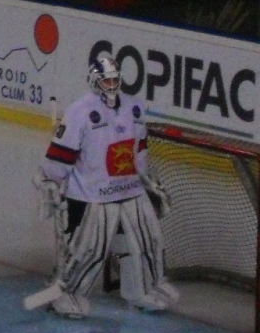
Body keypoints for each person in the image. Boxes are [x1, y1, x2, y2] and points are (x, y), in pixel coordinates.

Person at [33, 53, 178, 319]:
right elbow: (62, 154)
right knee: (91, 251)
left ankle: (142, 290)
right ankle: (68, 295)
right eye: (106, 81)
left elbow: (139, 150)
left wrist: (148, 181)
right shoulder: (80, 112)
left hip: (130, 190)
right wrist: (49, 181)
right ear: (94, 80)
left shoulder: (134, 107)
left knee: (148, 241)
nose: (111, 86)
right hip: (92, 196)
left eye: (114, 80)